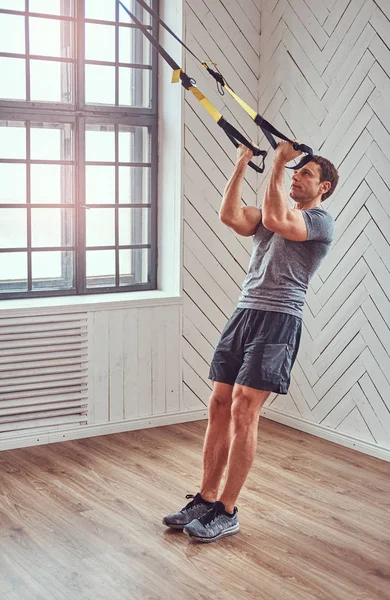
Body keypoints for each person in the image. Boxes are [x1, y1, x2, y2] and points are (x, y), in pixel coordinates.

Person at [163, 140, 339, 543]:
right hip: (244, 313)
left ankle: (227, 510)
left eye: (306, 173)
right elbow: (231, 216)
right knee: (220, 402)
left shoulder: (319, 222)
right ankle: (205, 498)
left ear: (323, 187)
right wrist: (243, 163)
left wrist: (278, 163)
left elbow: (277, 219)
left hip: (279, 319)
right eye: (296, 171)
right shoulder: (274, 213)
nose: (297, 176)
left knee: (244, 408)